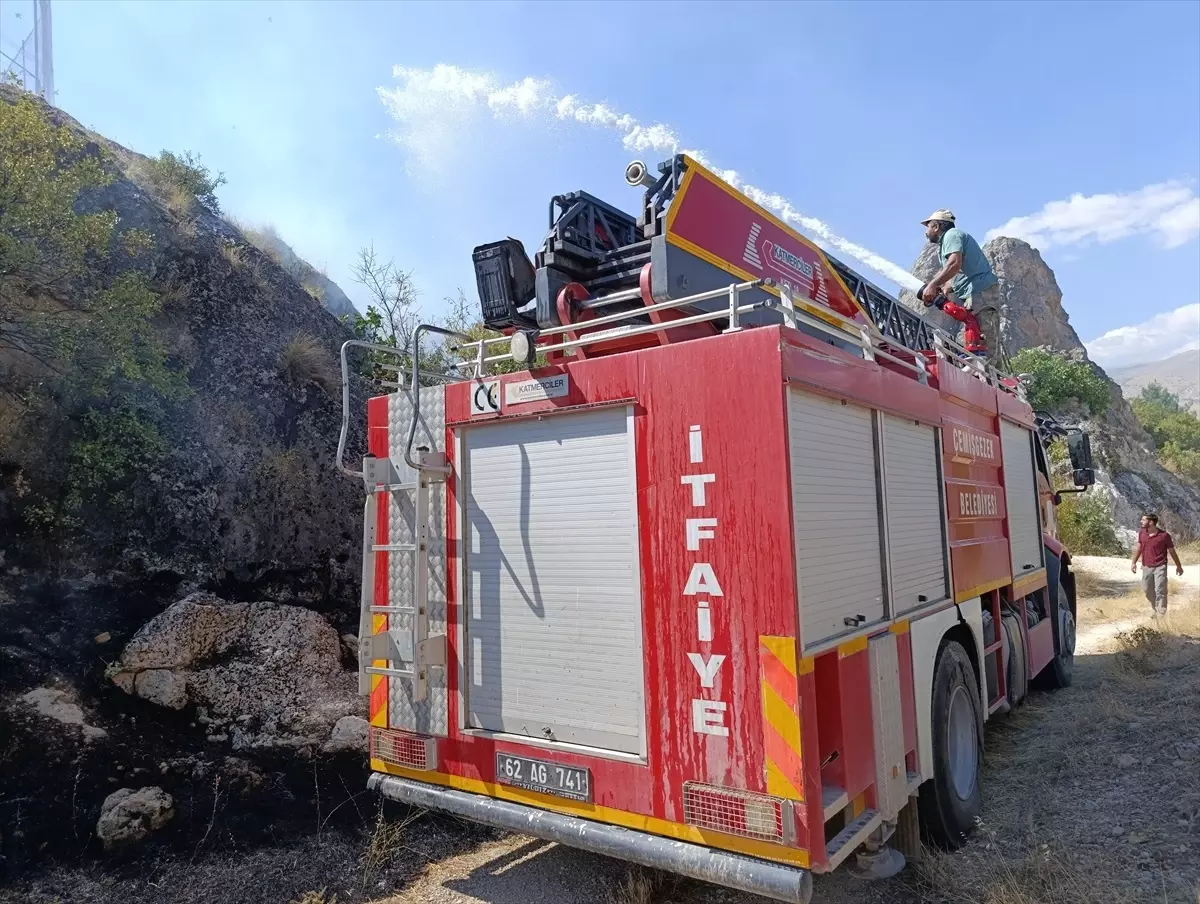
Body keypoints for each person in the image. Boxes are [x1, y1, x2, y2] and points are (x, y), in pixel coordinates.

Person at [918, 210, 1001, 359]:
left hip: (980, 292)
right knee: (979, 339)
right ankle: (989, 377)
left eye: (928, 226)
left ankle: (990, 378)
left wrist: (932, 285)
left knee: (985, 344)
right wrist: (946, 286)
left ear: (936, 226)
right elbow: (958, 270)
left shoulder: (951, 235)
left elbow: (954, 264)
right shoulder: (947, 242)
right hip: (974, 293)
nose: (926, 232)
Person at [1130, 512, 1184, 616]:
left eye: (1143, 520)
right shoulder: (1142, 533)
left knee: (1160, 590)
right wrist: (1133, 562)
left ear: (1151, 522)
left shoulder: (1164, 536)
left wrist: (1179, 566)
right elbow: (1139, 548)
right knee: (1147, 590)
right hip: (1146, 566)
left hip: (1160, 566)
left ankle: (1161, 613)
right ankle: (1154, 609)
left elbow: (1172, 552)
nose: (1141, 521)